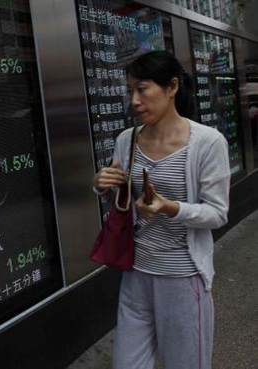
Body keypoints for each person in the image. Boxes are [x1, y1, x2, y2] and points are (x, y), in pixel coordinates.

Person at [92, 51, 230, 369]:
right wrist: (102, 183)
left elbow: (217, 213)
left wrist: (171, 208)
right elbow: (120, 202)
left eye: (142, 89)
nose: (135, 100)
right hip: (136, 274)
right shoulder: (127, 139)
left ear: (171, 87)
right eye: (130, 91)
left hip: (182, 277)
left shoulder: (208, 143)